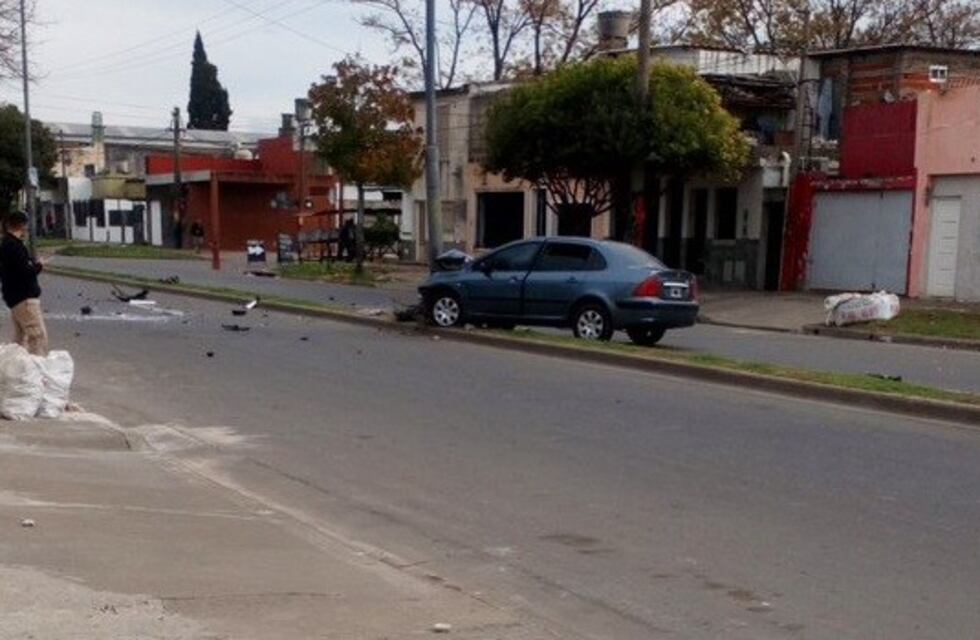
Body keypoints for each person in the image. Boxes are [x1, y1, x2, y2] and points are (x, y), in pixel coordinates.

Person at [0, 211, 47, 356]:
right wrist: (39, 266)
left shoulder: (7, 244)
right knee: (37, 336)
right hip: (24, 299)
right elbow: (25, 272)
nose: (27, 229)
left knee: (20, 339)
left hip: (15, 298)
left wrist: (32, 264)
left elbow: (16, 269)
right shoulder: (14, 246)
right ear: (22, 226)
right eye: (26, 225)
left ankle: (13, 366)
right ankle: (37, 367)